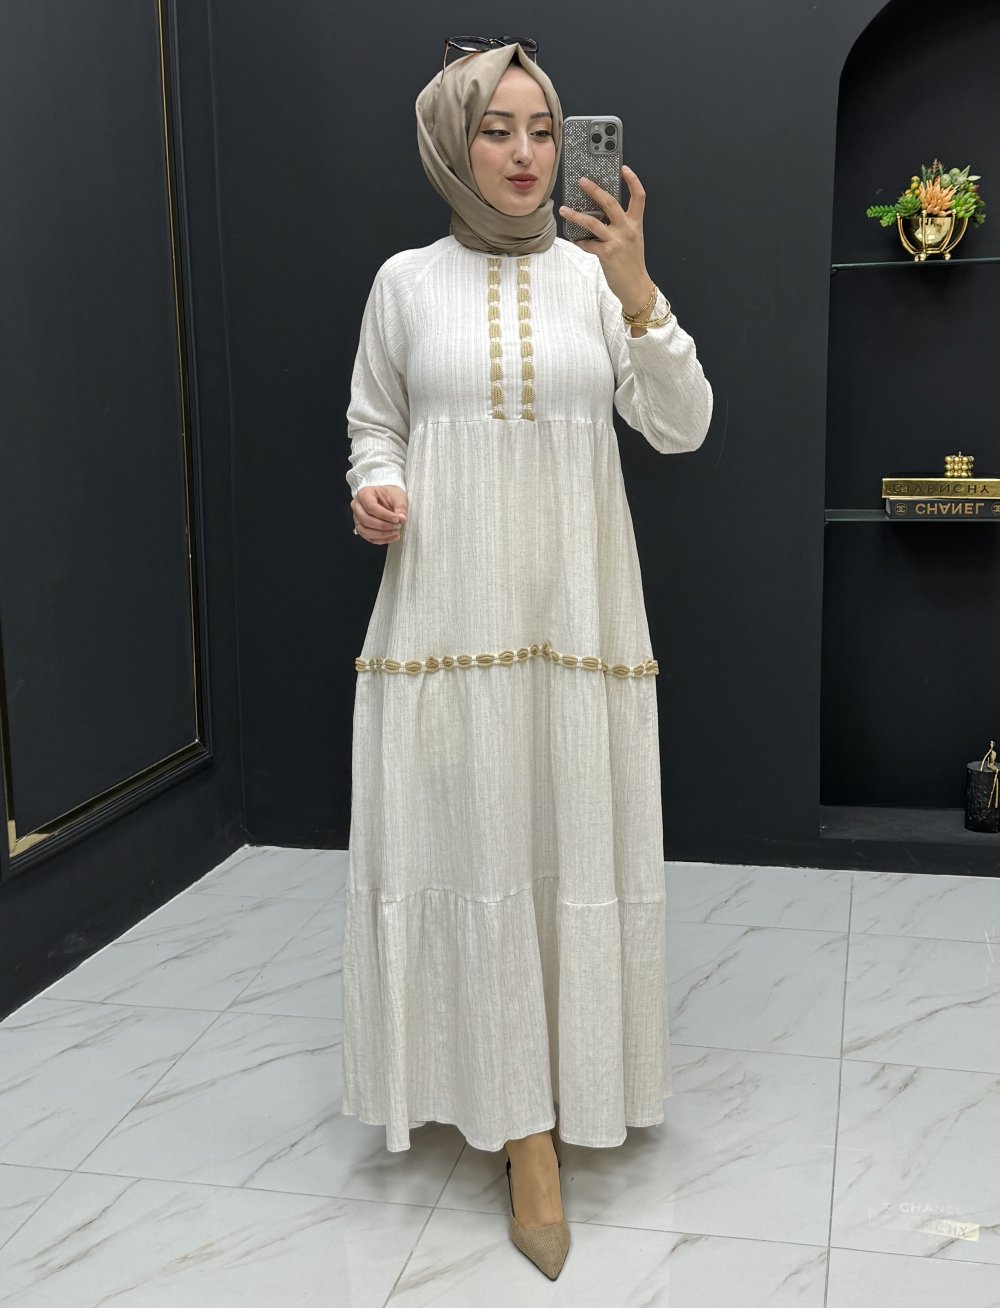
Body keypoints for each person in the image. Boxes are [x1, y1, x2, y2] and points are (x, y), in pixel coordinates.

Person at [342, 38, 713, 1280]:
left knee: (565, 848)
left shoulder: (595, 279)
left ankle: (569, 1087)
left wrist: (638, 289)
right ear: (452, 142)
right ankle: (515, 1123)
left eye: (543, 129)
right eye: (495, 128)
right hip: (447, 622)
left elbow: (680, 426)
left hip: (576, 621)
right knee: (472, 852)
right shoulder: (403, 282)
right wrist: (377, 485)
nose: (523, 154)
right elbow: (374, 422)